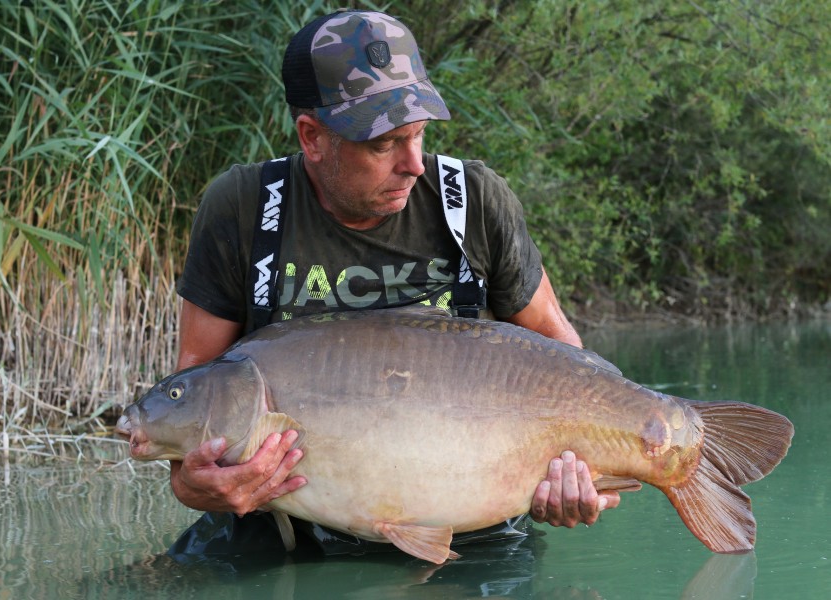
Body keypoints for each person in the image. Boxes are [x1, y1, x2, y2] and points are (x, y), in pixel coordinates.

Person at [167, 9, 620, 558]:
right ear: (313, 137)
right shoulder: (243, 208)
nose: (414, 164)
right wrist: (192, 485)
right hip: (287, 533)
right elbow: (194, 399)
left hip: (473, 532)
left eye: (420, 135)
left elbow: (565, 357)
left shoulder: (472, 200)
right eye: (384, 144)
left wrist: (577, 472)